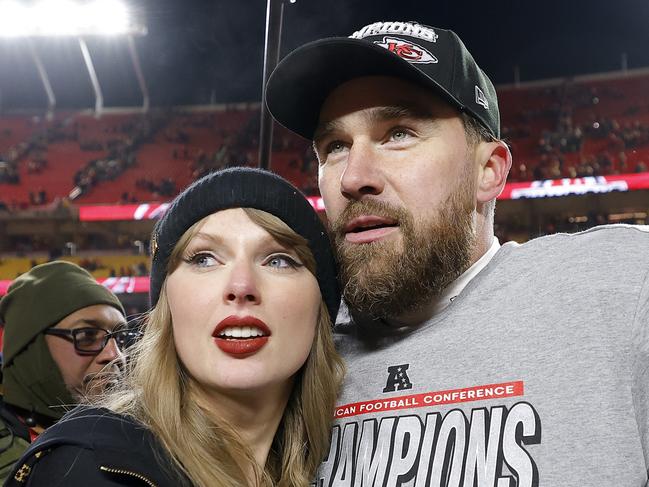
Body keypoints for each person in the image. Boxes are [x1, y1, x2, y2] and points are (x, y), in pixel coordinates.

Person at [265, 21, 649, 486]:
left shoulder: (622, 288)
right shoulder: (295, 343)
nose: (353, 177)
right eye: (335, 146)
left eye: (399, 133)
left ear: (488, 171)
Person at [7, 168, 344, 486]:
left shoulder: (338, 465)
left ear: (322, 310)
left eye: (279, 260)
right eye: (204, 259)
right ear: (166, 311)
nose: (241, 285)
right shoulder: (89, 467)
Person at [0, 261, 129, 482]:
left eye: (120, 337)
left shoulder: (144, 437)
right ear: (32, 350)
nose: (115, 355)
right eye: (87, 335)